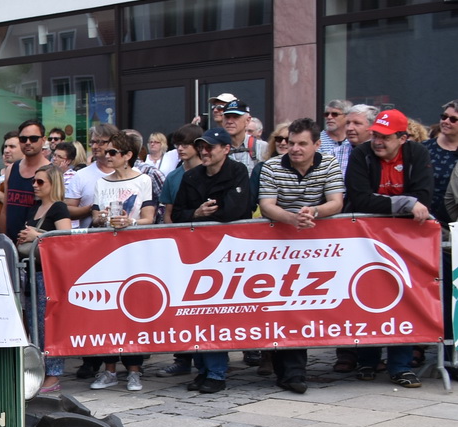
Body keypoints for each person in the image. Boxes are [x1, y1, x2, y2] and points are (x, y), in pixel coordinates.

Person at [256, 117, 345, 394]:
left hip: (319, 246)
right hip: (278, 245)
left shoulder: (329, 163)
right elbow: (267, 205)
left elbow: (336, 201)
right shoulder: (272, 166)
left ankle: (295, 371)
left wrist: (314, 212)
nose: (294, 149)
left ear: (317, 144)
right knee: (283, 306)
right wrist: (293, 219)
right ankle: (288, 371)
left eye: (302, 144)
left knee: (307, 305)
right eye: (291, 143)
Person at [346, 108, 434, 388]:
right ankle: (367, 360)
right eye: (375, 135)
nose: (377, 142)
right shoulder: (362, 154)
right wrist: (405, 204)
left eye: (385, 137)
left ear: (403, 138)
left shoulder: (417, 154)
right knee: (367, 293)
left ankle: (400, 366)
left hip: (406, 239)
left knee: (404, 296)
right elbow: (359, 199)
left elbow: (425, 196)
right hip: (367, 236)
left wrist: (405, 203)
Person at [170, 128, 255, 392]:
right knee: (196, 313)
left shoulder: (238, 171)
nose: (205, 152)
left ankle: (216, 373)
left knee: (216, 314)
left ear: (226, 149)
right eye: (202, 147)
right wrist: (197, 211)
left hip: (229, 255)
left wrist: (199, 216)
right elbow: (179, 214)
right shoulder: (192, 175)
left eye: (210, 147)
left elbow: (236, 209)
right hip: (196, 253)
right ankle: (204, 369)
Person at [86, 132, 158, 392]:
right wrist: (102, 218)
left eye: (113, 152)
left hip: (134, 251)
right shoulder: (101, 183)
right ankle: (108, 369)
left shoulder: (144, 180)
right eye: (106, 151)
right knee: (106, 310)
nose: (107, 156)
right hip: (106, 251)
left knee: (134, 308)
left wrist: (132, 222)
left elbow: (150, 217)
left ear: (128, 156)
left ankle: (134, 370)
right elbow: (94, 218)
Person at [15, 164, 73, 394]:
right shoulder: (35, 208)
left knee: (49, 324)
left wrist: (36, 235)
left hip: (48, 273)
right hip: (31, 270)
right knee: (34, 324)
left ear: (53, 184)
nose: (35, 186)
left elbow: (65, 239)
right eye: (34, 181)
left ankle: (53, 373)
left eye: (41, 182)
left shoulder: (59, 208)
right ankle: (38, 369)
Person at [0, 121, 53, 241]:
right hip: (12, 243)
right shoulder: (12, 169)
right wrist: (5, 242)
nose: (28, 142)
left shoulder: (52, 171)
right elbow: (5, 211)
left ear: (43, 140)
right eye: (23, 139)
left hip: (36, 246)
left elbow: (58, 212)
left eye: (33, 138)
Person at [428, 100, 458, 221]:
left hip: (452, 223)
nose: (445, 121)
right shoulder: (423, 148)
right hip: (424, 220)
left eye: (453, 119)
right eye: (444, 117)